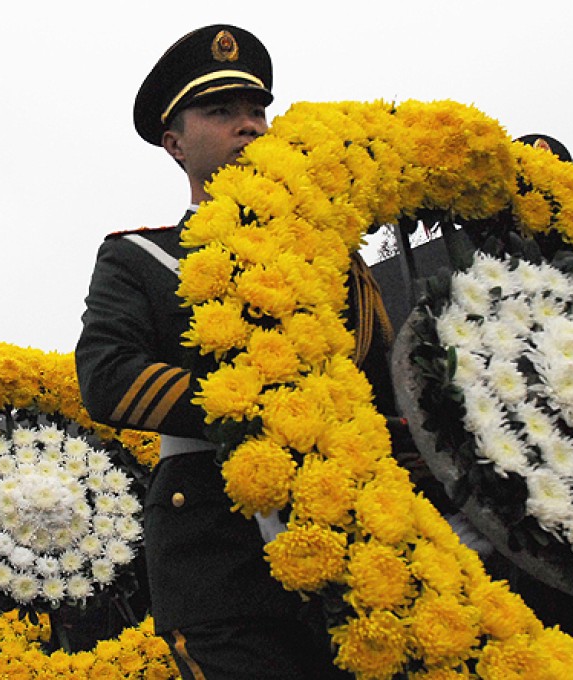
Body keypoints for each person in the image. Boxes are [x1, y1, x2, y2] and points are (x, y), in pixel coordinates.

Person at [76, 24, 363, 679]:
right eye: (221, 111)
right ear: (174, 143)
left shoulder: (322, 255)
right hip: (218, 556)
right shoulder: (139, 258)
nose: (250, 125)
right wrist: (255, 408)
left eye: (256, 110)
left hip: (346, 540)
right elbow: (107, 376)